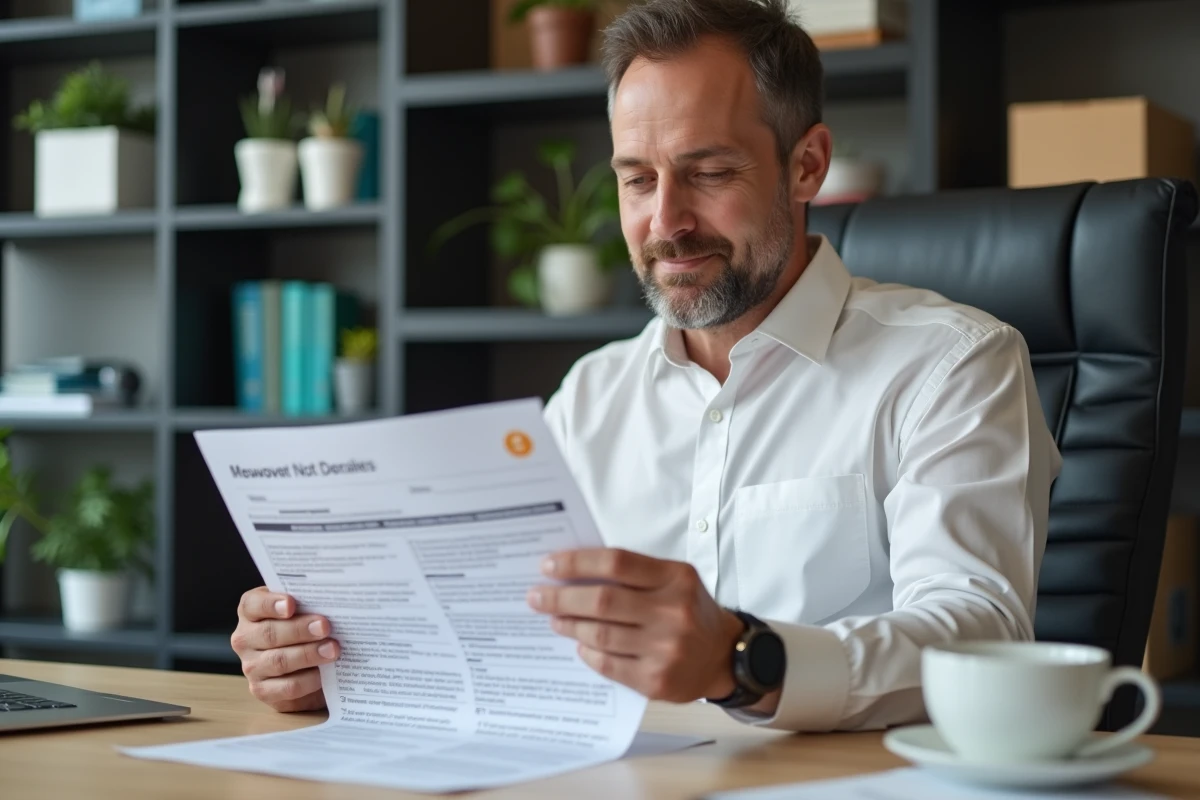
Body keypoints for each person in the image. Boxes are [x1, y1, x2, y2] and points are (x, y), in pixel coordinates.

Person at [231, 0, 1062, 732]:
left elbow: (978, 632)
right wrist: (339, 664)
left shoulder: (952, 364)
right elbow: (502, 637)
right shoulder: (590, 398)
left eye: (708, 173)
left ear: (807, 165)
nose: (666, 222)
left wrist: (742, 659)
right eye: (637, 180)